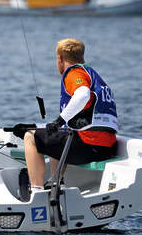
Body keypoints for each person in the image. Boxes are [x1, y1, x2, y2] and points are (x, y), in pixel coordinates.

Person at [21, 38, 118, 191]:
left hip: (87, 147)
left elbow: (83, 94)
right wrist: (42, 126)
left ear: (60, 58)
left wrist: (59, 121)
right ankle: (55, 183)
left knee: (29, 137)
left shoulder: (74, 73)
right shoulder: (93, 76)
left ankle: (36, 190)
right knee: (55, 134)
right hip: (107, 148)